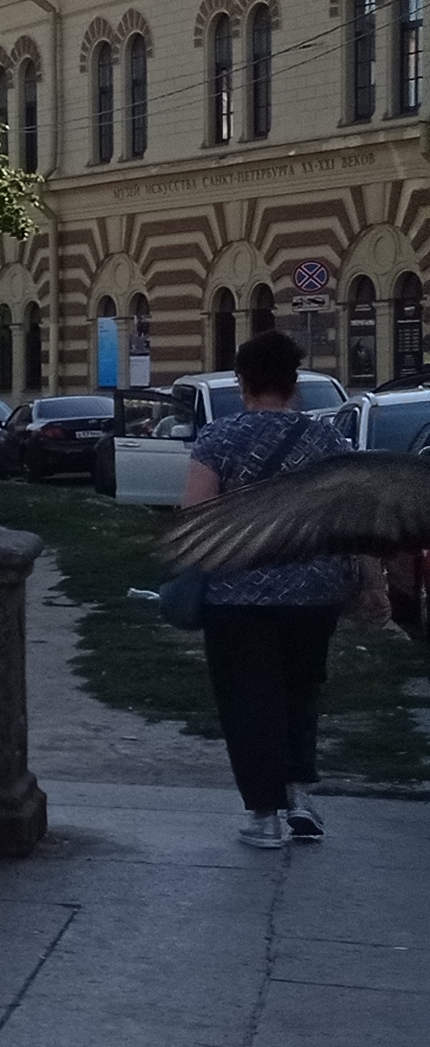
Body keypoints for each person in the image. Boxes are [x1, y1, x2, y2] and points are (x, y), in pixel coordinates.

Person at [182, 330, 362, 849]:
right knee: (301, 691)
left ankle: (265, 816)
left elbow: (195, 515)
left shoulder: (218, 438)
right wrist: (368, 582)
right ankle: (300, 796)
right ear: (293, 381)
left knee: (248, 701)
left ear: (242, 381)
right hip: (314, 593)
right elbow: (351, 520)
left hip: (237, 597)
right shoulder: (327, 441)